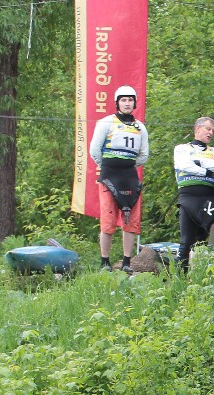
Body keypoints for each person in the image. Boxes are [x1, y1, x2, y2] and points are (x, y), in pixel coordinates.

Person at [89, 85, 149, 273]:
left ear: (134, 103)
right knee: (108, 219)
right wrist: (108, 165)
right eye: (123, 100)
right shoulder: (106, 123)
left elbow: (144, 154)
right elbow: (94, 150)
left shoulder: (140, 127)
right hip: (109, 176)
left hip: (130, 176)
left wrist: (128, 165)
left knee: (131, 220)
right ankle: (105, 261)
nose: (127, 103)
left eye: (130, 100)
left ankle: (126, 262)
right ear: (117, 103)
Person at [173, 116, 214, 273]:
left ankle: (196, 274)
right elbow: (184, 165)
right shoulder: (182, 148)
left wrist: (198, 162)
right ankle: (179, 275)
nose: (211, 133)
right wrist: (206, 171)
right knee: (186, 240)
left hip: (208, 198)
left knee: (200, 239)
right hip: (188, 197)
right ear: (197, 129)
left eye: (213, 130)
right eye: (208, 129)